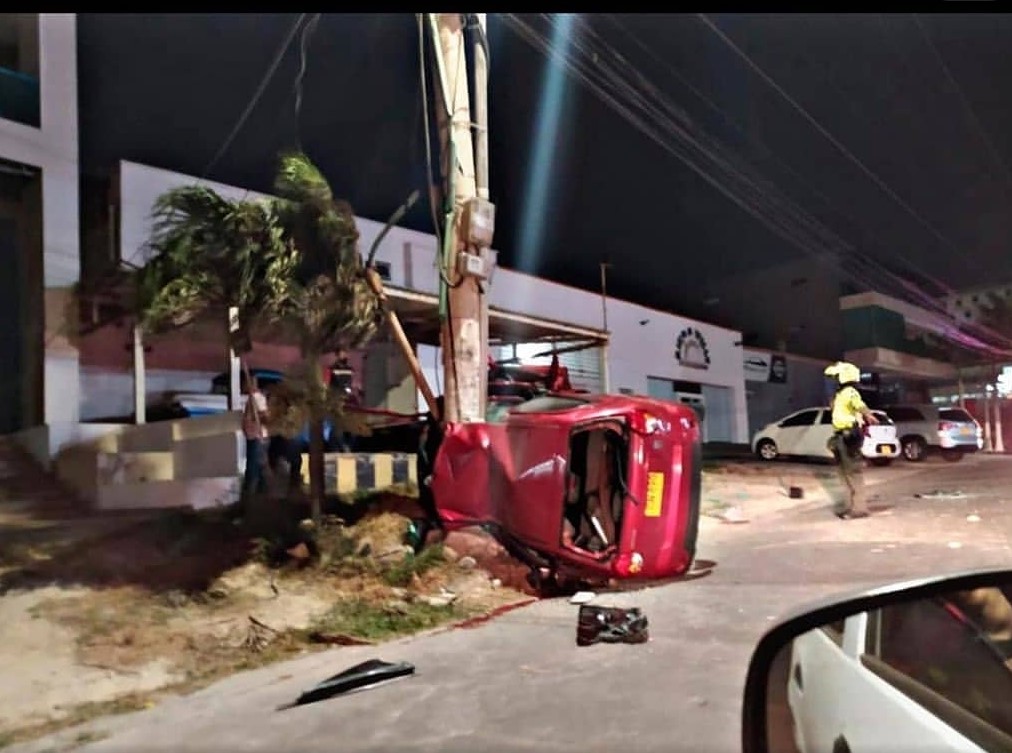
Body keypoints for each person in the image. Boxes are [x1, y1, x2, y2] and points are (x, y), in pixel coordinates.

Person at [824, 361, 879, 520]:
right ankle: (849, 506)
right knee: (844, 474)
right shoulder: (840, 394)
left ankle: (859, 509)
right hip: (840, 435)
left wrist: (868, 414)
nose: (834, 380)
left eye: (836, 377)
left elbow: (859, 405)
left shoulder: (850, 392)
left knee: (853, 473)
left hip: (849, 435)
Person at [241, 373, 270, 500]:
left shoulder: (257, 399)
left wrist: (254, 425)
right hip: (255, 437)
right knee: (256, 466)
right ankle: (258, 494)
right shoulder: (253, 399)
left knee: (253, 467)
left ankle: (251, 496)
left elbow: (264, 416)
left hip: (257, 437)